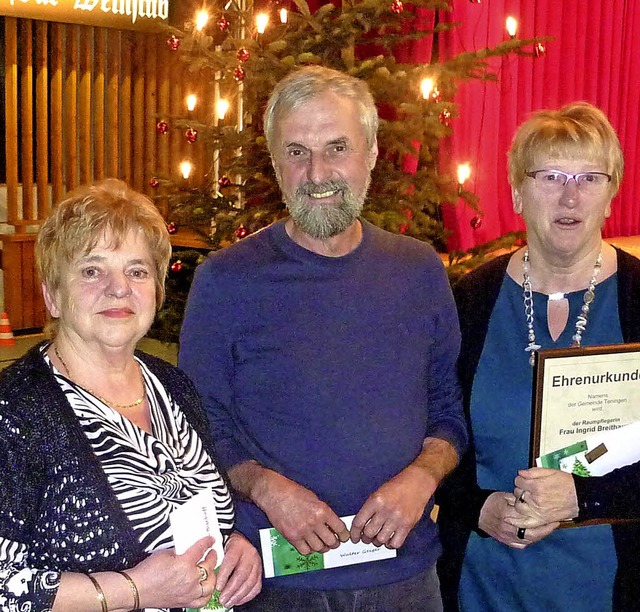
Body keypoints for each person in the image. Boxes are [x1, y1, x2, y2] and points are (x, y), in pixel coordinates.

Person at [179, 65, 468, 611]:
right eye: (296, 152)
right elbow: (198, 425)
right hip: (276, 581)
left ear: (372, 153)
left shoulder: (419, 270)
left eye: (337, 147)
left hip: (404, 577)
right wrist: (267, 489)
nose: (316, 173)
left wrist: (422, 477)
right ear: (275, 162)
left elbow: (448, 411)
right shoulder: (225, 280)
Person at [0, 179, 262, 611]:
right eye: (92, 270)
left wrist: (235, 546)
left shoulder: (172, 385)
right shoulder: (16, 411)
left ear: (156, 292)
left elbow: (197, 507)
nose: (119, 287)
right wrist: (135, 590)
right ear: (53, 296)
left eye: (137, 271)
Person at [436, 102, 640, 611]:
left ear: (611, 195)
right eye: (551, 176)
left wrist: (586, 498)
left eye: (590, 177)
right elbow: (434, 435)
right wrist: (479, 508)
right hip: (485, 579)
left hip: (613, 583)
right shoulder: (470, 300)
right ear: (516, 193)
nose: (571, 195)